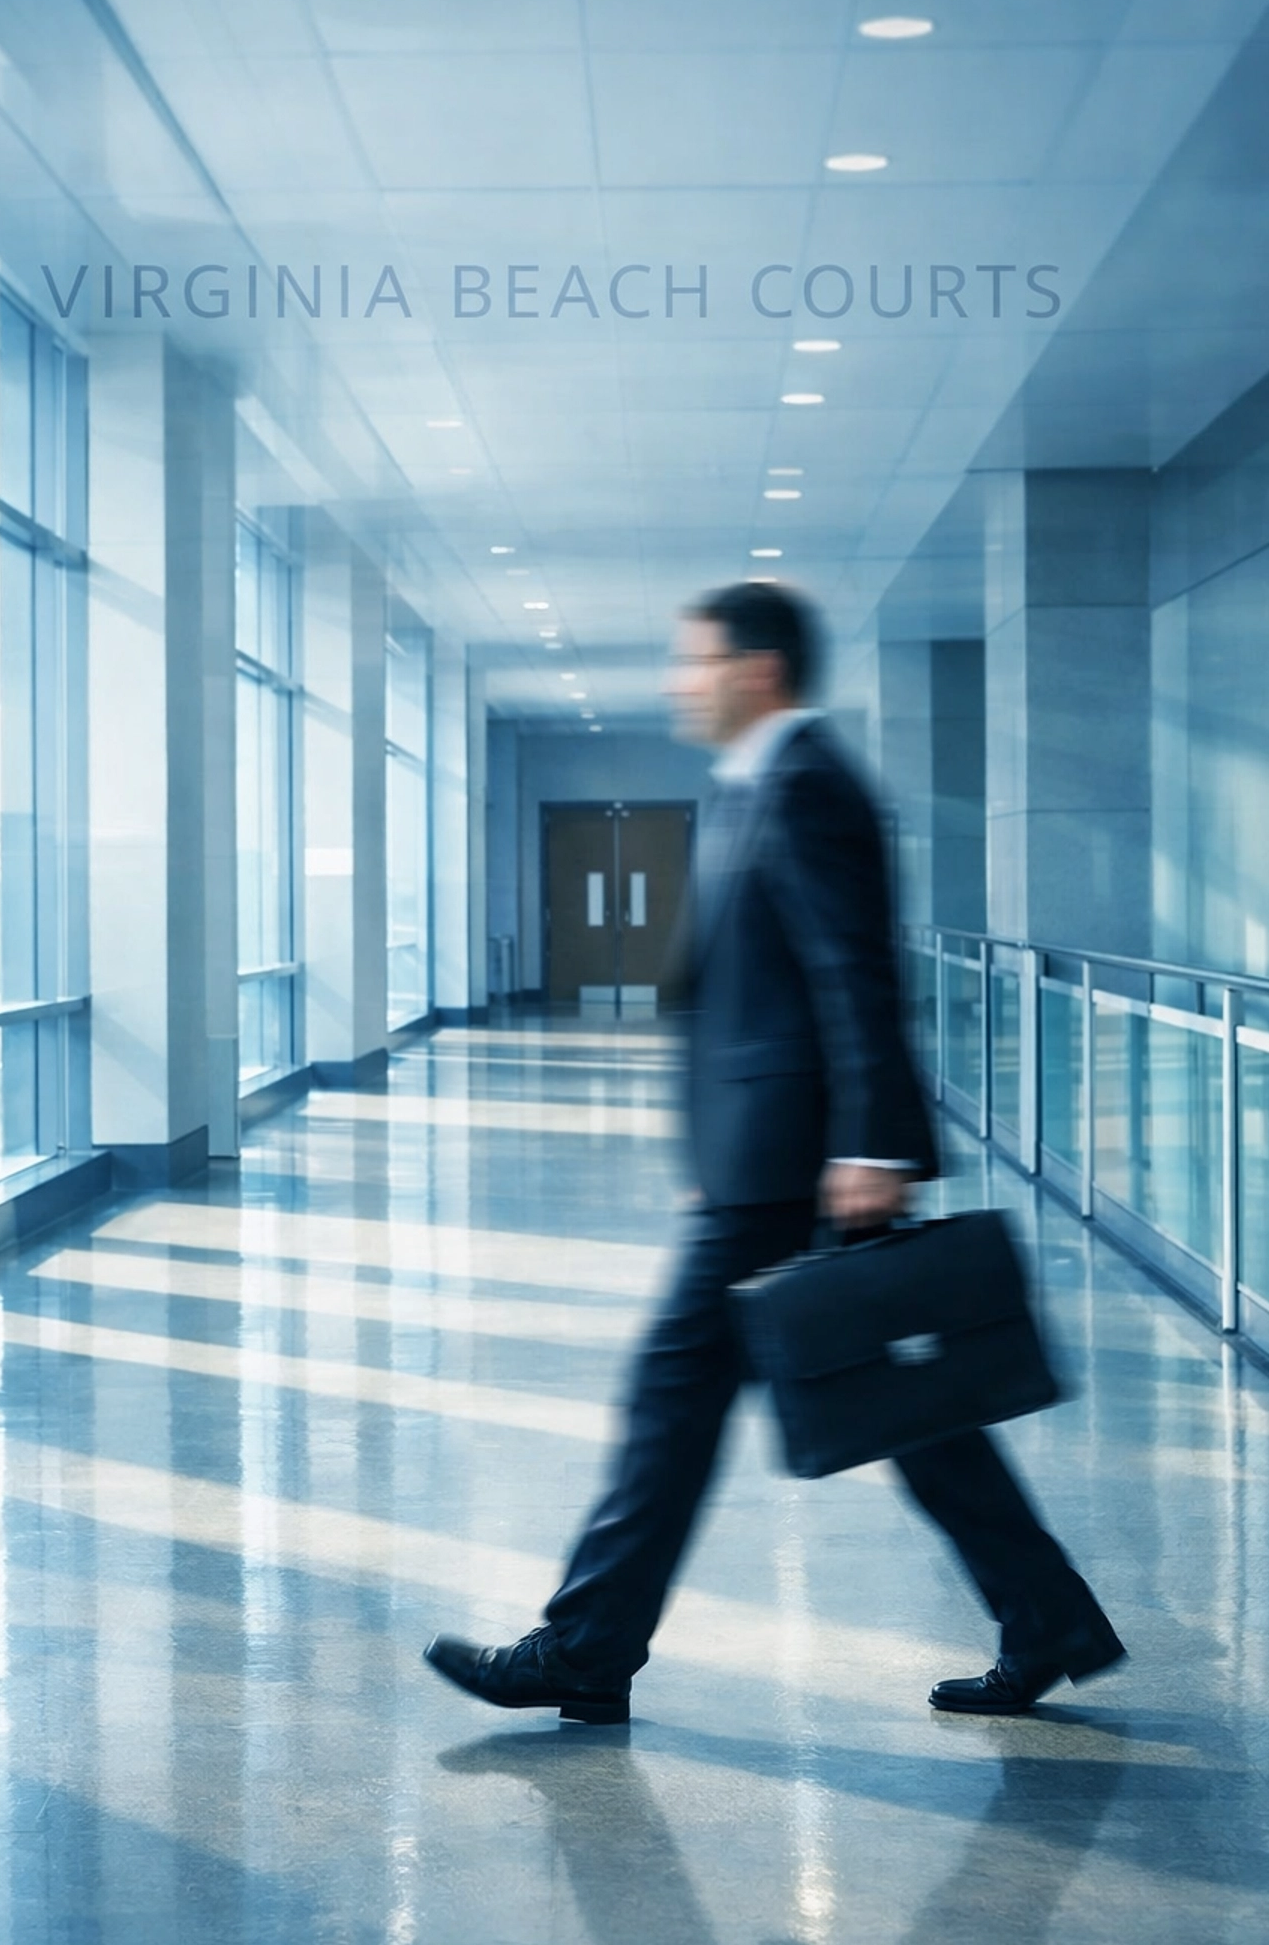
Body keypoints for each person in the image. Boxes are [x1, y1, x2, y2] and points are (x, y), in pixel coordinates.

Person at [424, 583, 1124, 1723]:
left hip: (798, 1169)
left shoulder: (806, 787)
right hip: (765, 1160)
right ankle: (1046, 1618)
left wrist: (871, 1146)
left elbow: (856, 973)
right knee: (901, 1407)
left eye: (693, 662)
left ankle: (588, 1647)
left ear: (757, 670)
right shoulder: (752, 785)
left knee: (679, 1396)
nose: (677, 682)